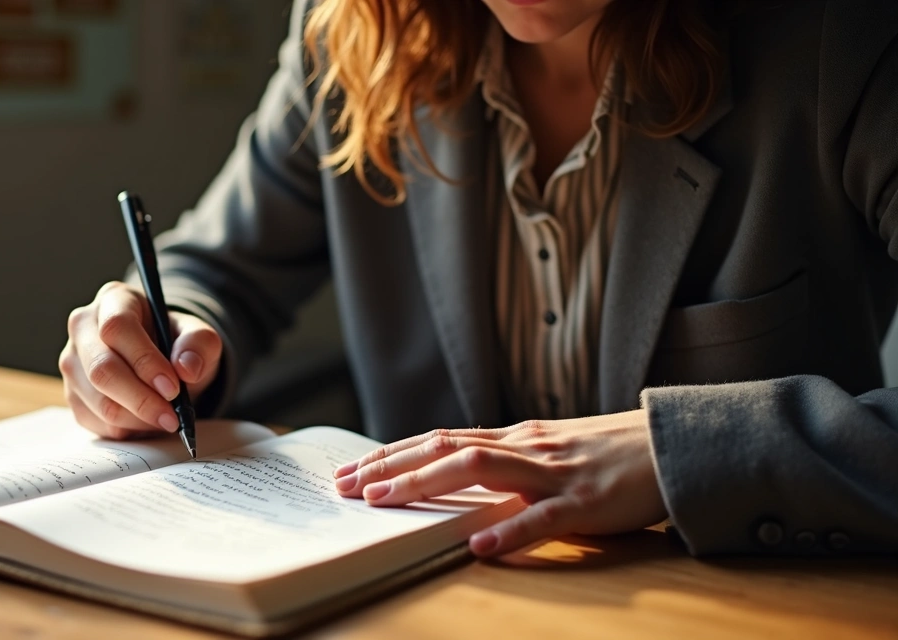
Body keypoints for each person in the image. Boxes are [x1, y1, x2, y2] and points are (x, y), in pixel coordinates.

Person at [59, 0, 898, 557]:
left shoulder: (840, 36)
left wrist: (679, 449)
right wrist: (155, 336)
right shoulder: (356, 26)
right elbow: (216, 271)